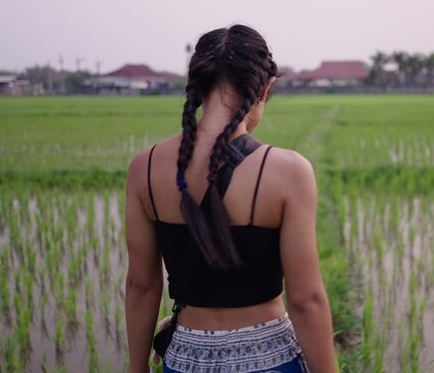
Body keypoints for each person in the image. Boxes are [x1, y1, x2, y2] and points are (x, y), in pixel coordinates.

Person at [124, 25, 336, 373]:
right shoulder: (288, 171)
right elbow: (306, 301)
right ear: (265, 88)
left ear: (197, 85)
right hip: (272, 359)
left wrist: (137, 369)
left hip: (185, 361)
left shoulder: (144, 169)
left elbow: (141, 287)